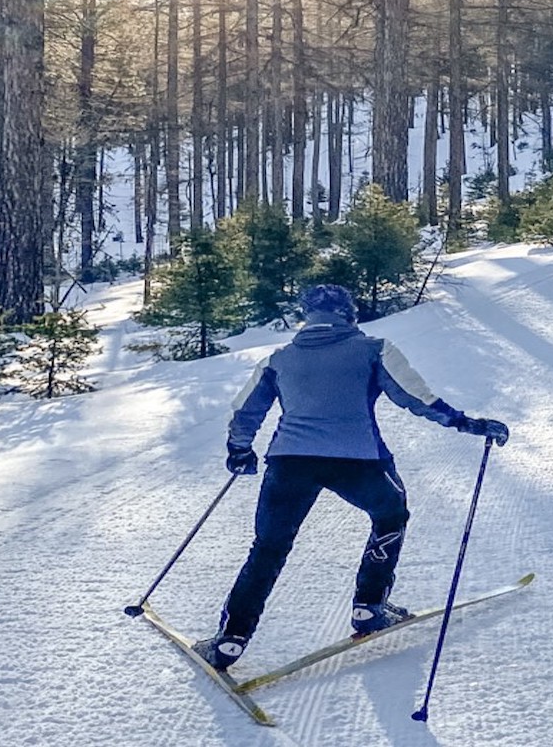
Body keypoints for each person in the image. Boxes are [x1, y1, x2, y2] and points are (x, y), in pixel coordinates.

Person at [195, 284, 510, 671]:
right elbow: (417, 398)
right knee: (391, 515)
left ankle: (230, 640)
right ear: (349, 313)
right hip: (359, 460)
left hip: (290, 462)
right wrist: (468, 424)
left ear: (306, 317)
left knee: (268, 548)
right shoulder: (374, 349)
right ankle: (369, 608)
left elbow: (245, 411)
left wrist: (239, 450)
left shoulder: (278, 359)